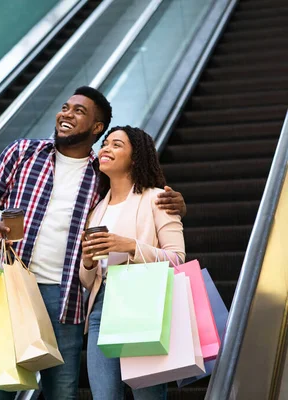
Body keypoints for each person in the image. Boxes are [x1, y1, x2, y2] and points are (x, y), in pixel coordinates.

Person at [0, 87, 186, 400]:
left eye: (78, 111)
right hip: (14, 284)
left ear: (96, 127)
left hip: (68, 297)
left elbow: (136, 195)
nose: (66, 114)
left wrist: (178, 206)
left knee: (62, 392)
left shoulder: (99, 175)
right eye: (65, 107)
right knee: (0, 386)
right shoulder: (23, 152)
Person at [80, 126, 186, 400]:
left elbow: (177, 259)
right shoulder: (97, 210)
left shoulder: (156, 199)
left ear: (135, 157)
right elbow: (87, 279)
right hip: (101, 308)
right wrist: (88, 261)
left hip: (143, 303)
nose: (105, 149)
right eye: (105, 144)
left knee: (148, 396)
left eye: (116, 145)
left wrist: (130, 246)